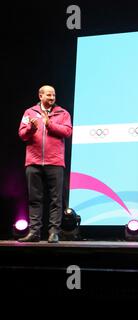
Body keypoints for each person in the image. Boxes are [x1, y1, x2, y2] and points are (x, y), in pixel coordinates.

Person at [18, 85, 73, 243]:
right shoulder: (29, 113)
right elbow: (22, 134)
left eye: (54, 95)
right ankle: (34, 232)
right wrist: (30, 128)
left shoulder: (62, 113)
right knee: (34, 198)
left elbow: (67, 132)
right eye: (49, 95)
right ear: (40, 96)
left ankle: (53, 232)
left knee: (56, 199)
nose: (52, 97)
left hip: (54, 161)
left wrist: (49, 124)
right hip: (33, 161)